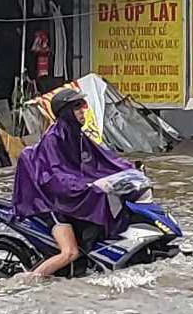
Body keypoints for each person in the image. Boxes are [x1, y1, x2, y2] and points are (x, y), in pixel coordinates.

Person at [11, 87, 135, 277]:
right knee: (70, 252)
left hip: (67, 200)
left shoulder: (77, 136)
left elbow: (103, 158)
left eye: (83, 106)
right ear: (66, 112)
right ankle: (27, 282)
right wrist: (85, 186)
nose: (82, 111)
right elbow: (55, 176)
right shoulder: (53, 139)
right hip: (49, 203)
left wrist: (130, 169)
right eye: (77, 107)